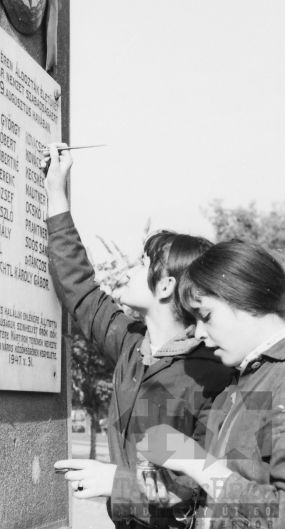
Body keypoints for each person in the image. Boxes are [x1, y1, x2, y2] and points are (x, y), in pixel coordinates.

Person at [43, 144, 234, 529]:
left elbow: (199, 485)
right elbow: (79, 289)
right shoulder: (133, 347)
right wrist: (56, 193)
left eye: (143, 263)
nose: (131, 268)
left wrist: (116, 481)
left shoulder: (214, 376)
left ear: (165, 287)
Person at [136, 240, 285, 529]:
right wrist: (182, 502)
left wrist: (197, 463)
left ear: (245, 296)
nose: (200, 333)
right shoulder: (241, 382)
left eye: (206, 316)